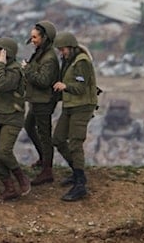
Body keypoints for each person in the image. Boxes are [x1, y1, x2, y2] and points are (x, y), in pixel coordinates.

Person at [51, 31, 99, 201]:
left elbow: (80, 87)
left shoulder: (82, 62)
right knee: (58, 139)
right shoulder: (69, 61)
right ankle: (76, 170)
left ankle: (80, 184)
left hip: (82, 106)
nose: (61, 53)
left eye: (63, 49)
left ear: (70, 47)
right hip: (70, 105)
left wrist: (65, 86)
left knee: (75, 143)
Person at [0, 36, 30, 200]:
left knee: (4, 152)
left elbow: (1, 85)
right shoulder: (0, 68)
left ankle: (21, 178)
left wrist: (0, 64)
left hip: (12, 117)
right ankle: (9, 187)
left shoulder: (14, 71)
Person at [23, 19, 60, 185]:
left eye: (35, 37)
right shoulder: (40, 52)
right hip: (36, 100)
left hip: (44, 102)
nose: (33, 40)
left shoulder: (49, 58)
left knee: (45, 135)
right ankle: (43, 158)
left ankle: (47, 170)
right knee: (29, 126)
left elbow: (44, 81)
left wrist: (27, 69)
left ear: (45, 38)